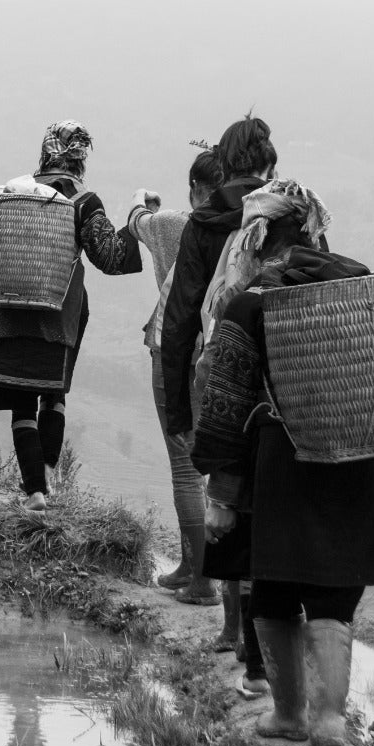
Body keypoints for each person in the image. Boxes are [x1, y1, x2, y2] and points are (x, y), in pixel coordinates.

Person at [192, 199, 374, 746]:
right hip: (370, 457)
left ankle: (289, 716)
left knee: (277, 589)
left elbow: (225, 402)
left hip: (288, 456)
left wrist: (222, 495)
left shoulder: (252, 302)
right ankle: (330, 719)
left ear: (255, 242)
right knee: (334, 594)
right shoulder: (364, 286)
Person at [0, 121, 141, 509]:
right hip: (58, 315)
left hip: (5, 312)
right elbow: (110, 257)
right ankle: (50, 477)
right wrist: (138, 221)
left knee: (21, 403)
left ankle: (35, 491)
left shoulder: (12, 193)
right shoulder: (83, 201)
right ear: (80, 159)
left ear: (45, 152)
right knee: (53, 395)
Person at [158, 115, 278, 651]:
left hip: (223, 375)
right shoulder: (289, 217)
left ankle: (232, 630)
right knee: (267, 500)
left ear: (224, 165)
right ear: (270, 165)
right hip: (284, 380)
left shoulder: (203, 226)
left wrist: (181, 415)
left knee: (223, 495)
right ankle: (264, 643)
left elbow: (180, 319)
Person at [126, 147, 224, 605]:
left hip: (174, 347)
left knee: (185, 469)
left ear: (195, 189)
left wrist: (143, 201)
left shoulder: (174, 223)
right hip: (222, 353)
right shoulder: (243, 230)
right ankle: (192, 565)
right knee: (215, 469)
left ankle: (203, 581)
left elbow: (135, 222)